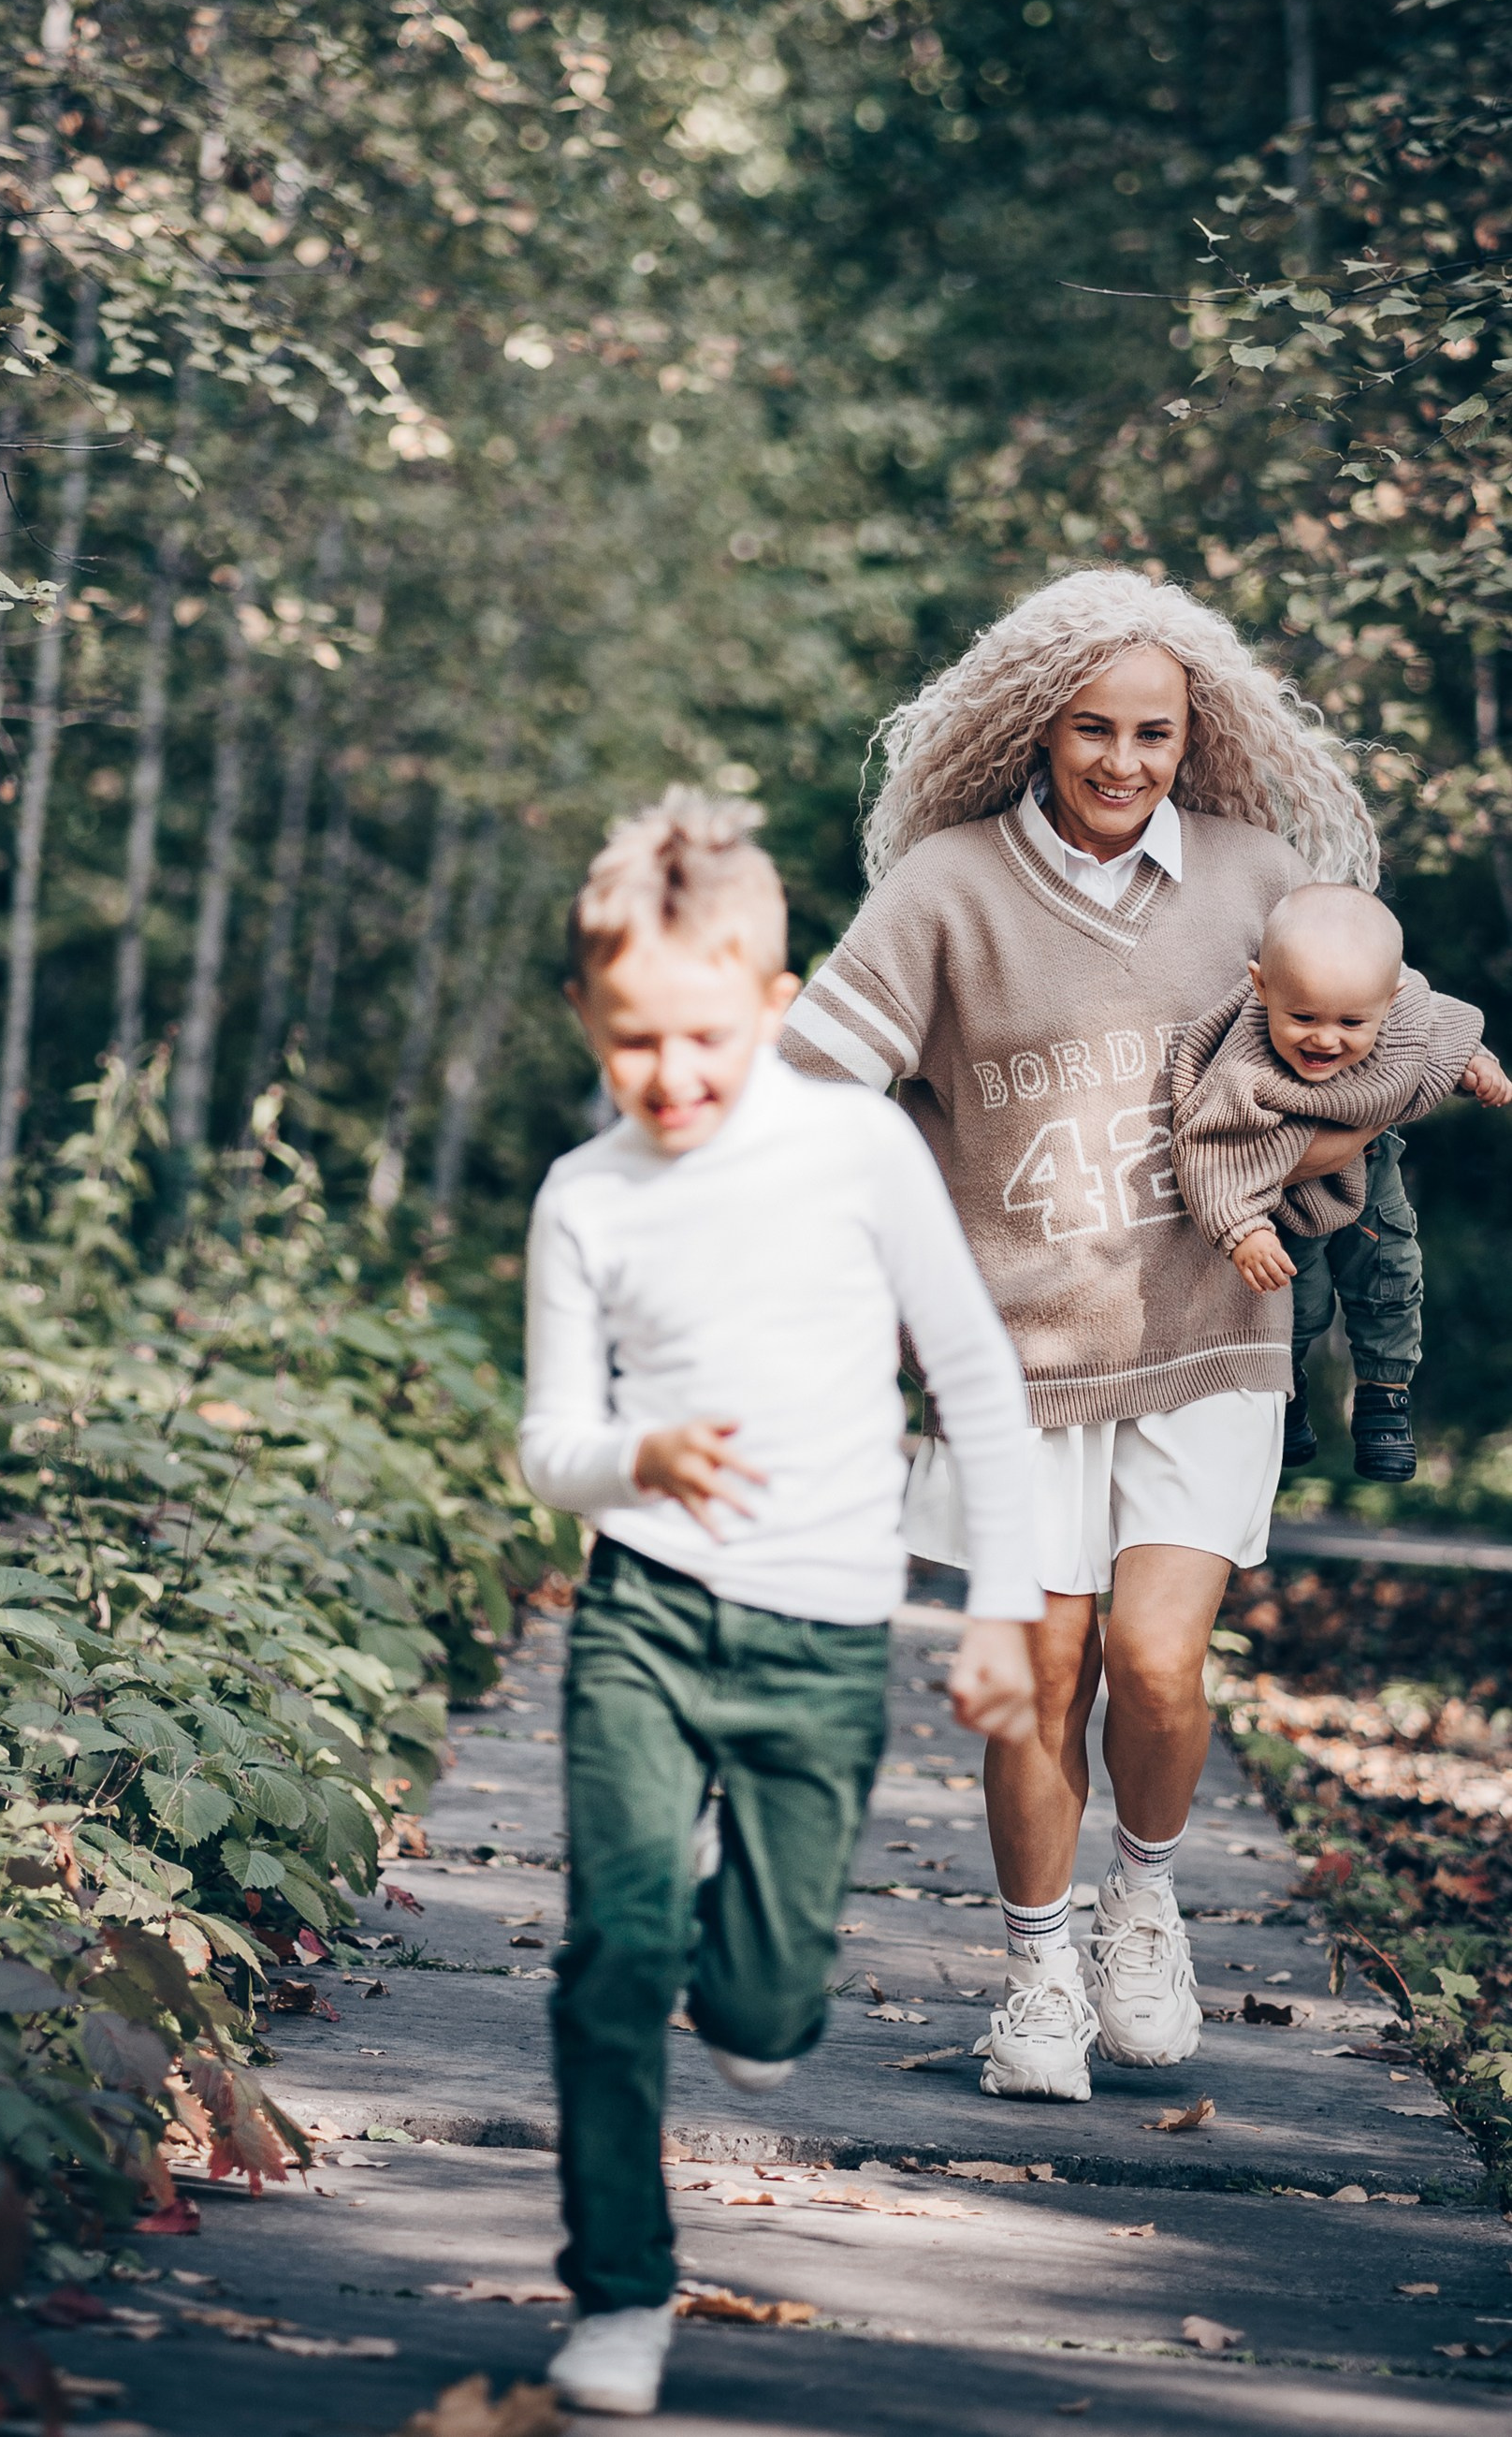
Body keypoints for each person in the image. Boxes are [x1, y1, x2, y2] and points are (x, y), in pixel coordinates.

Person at [779, 568, 1379, 2105]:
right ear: (1034, 726)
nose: (1121, 762)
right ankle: (1038, 1965)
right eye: (1090, 729)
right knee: (1038, 1673)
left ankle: (1145, 1900)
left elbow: (1366, 1050)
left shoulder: (1256, 876)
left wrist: (1322, 1162)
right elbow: (808, 1091)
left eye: (1154, 734)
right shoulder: (946, 890)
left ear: (1196, 737)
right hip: (1012, 1365)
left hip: (1206, 1338)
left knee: (1158, 1664)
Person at [520, 789, 1041, 2418]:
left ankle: (747, 1978)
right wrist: (636, 1453)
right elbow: (550, 1446)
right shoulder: (583, 1197)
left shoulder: (854, 1144)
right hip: (648, 1621)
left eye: (698, 1036)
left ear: (767, 995)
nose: (667, 1078)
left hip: (821, 1637)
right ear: (587, 1024)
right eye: (629, 1046)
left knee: (758, 2002)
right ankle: (617, 2288)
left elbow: (976, 1379)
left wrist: (999, 1611)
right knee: (613, 1948)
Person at [1170, 884, 1510, 1480]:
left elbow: (1439, 1035)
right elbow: (1208, 1145)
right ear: (1262, 987)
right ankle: (1291, 1393)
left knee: (1392, 1279)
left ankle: (1384, 1398)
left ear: (1389, 999)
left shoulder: (1404, 1013)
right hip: (1290, 1203)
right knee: (1296, 1304)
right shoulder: (1243, 1063)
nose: (1325, 1040)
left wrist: (1474, 1063)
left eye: (1352, 1022)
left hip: (1372, 1174)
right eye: (1301, 1018)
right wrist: (1241, 1227)